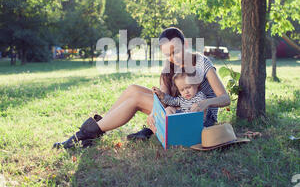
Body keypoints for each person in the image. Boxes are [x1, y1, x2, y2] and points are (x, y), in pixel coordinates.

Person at [53, 27, 230, 149]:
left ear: (186, 45)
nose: (172, 58)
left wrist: (206, 103)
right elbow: (162, 100)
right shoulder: (169, 67)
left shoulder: (202, 63)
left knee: (136, 98)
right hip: (175, 113)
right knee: (133, 89)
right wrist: (155, 114)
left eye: (175, 51)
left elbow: (225, 98)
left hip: (199, 119)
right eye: (167, 54)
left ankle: (84, 135)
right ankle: (94, 130)